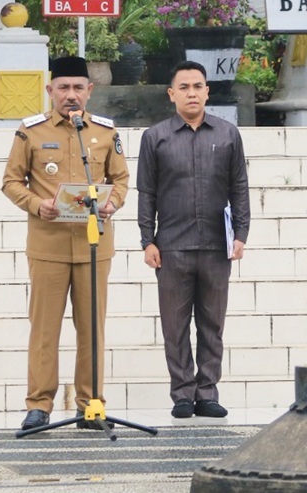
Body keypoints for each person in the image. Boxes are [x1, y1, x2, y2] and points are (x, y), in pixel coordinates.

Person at [2, 57, 130, 431]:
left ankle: (90, 405)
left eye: (78, 88)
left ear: (90, 91)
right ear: (50, 90)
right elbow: (11, 181)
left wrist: (113, 203)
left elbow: (121, 179)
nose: (70, 96)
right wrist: (34, 204)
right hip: (49, 244)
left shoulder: (105, 132)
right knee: (45, 329)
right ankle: (39, 405)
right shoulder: (31, 131)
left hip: (94, 245)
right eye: (63, 88)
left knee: (92, 327)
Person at [137, 60, 250, 419]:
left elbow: (239, 187)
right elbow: (146, 193)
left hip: (217, 246)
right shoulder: (155, 137)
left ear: (207, 92)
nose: (191, 92)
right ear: (172, 95)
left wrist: (242, 233)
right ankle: (183, 394)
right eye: (183, 87)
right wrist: (147, 240)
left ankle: (208, 392)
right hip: (171, 246)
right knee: (174, 325)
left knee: (212, 324)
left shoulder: (228, 134)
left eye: (197, 86)